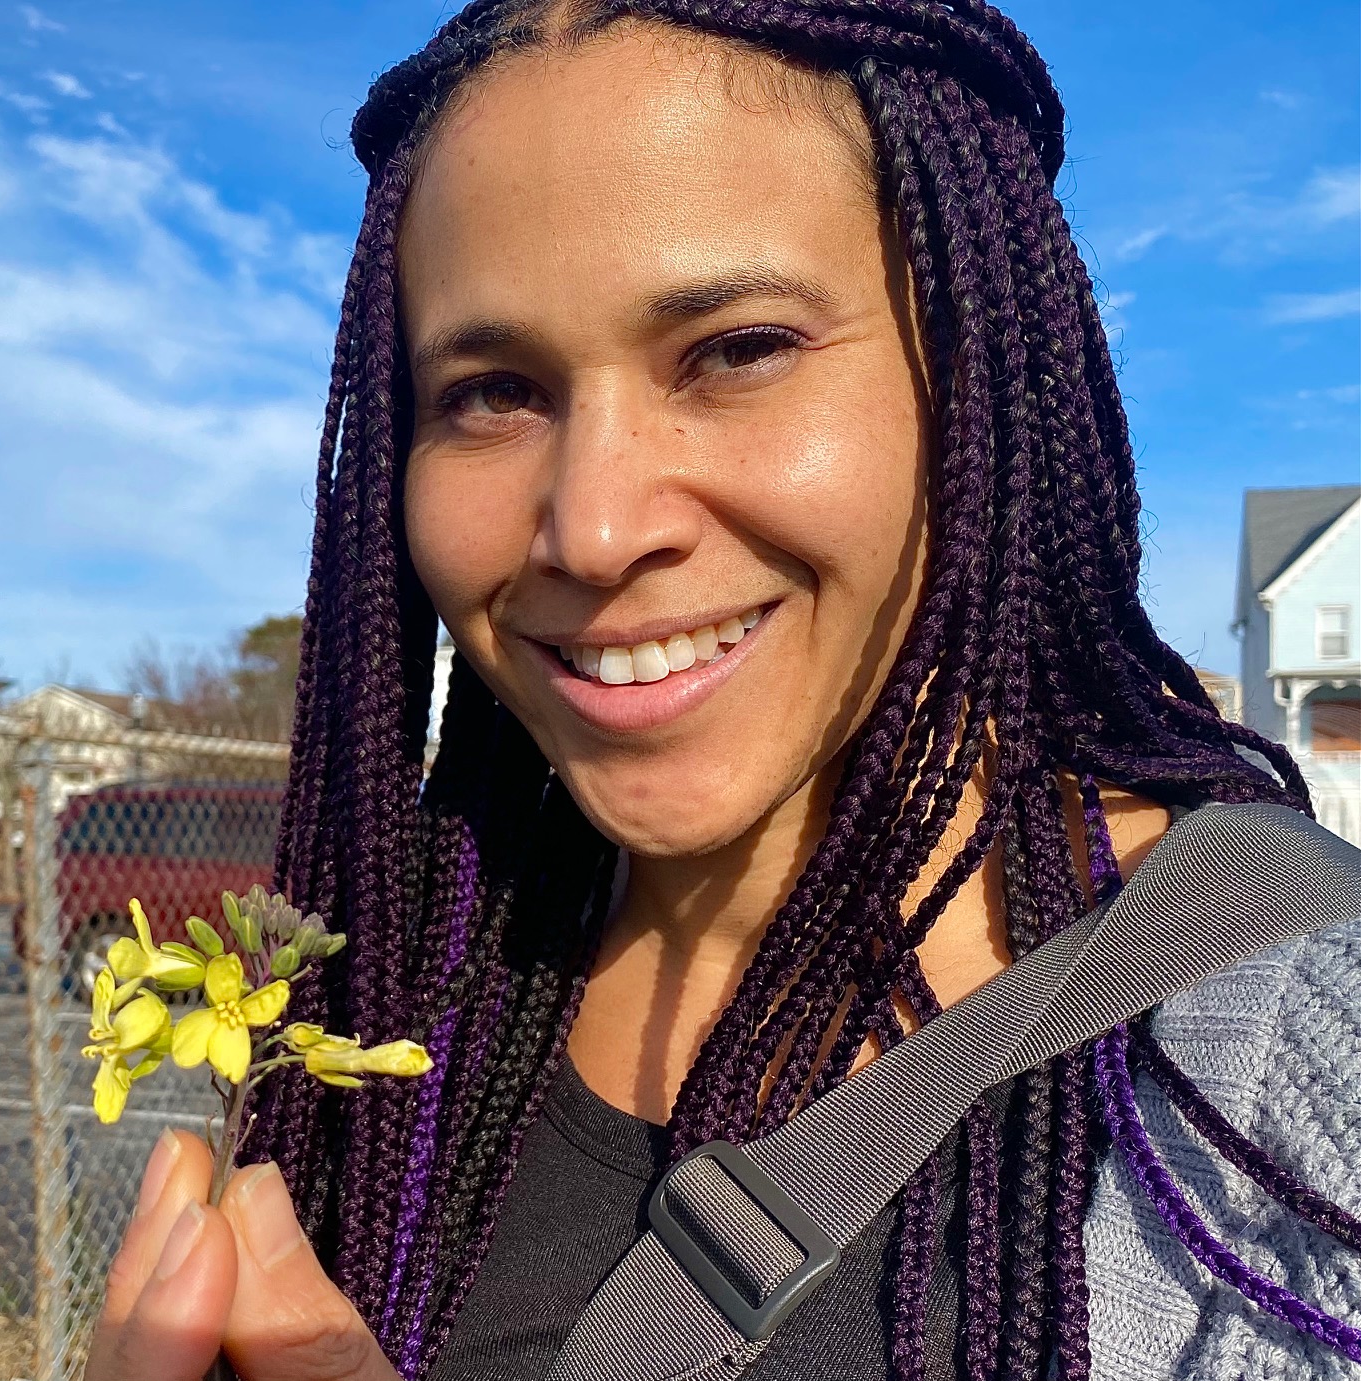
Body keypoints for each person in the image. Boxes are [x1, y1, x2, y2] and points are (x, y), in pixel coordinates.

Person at [82, 3, 1361, 1379]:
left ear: (982, 367)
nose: (591, 529)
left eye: (737, 350)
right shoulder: (401, 991)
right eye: (492, 391)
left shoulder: (1303, 1056)